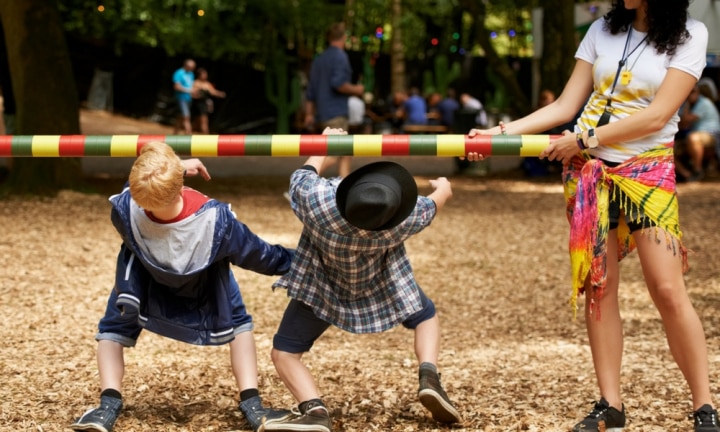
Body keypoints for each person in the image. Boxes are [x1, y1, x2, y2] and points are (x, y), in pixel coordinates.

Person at [465, 1, 719, 431]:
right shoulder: (603, 29)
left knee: (667, 288)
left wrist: (583, 139)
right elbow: (565, 105)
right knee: (598, 288)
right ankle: (610, 404)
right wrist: (498, 133)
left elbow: (658, 114)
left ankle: (705, 406)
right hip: (588, 175)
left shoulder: (692, 34)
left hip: (647, 172)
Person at [70, 142, 294, 432]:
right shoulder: (217, 221)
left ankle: (108, 403)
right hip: (204, 287)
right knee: (239, 324)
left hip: (143, 286)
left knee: (113, 326)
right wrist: (303, 260)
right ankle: (251, 402)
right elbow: (262, 256)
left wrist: (171, 168)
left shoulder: (124, 210)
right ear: (179, 186)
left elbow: (133, 187)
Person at [262, 127, 461, 432]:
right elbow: (435, 203)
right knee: (426, 315)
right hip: (381, 288)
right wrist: (443, 186)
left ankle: (314, 410)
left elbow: (303, 175)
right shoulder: (404, 220)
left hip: (321, 290)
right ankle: (429, 375)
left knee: (285, 353)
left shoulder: (318, 203)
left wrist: (325, 143)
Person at [304, 22, 364, 178]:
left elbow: (310, 91)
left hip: (322, 112)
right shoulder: (340, 56)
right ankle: (302, 183)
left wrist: (309, 114)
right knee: (336, 152)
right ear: (344, 37)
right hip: (336, 112)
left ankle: (345, 189)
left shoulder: (319, 59)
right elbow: (338, 84)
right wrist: (357, 90)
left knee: (345, 151)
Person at [675, 83, 720, 181]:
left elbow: (685, 120)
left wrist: (686, 102)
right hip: (696, 136)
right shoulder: (688, 105)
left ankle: (697, 170)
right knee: (669, 149)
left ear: (698, 92)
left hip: (712, 135)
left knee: (693, 137)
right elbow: (681, 124)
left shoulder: (704, 102)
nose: (690, 94)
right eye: (687, 92)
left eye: (692, 92)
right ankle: (687, 175)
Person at [192, 67, 226, 134]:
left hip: (203, 104)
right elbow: (193, 93)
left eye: (206, 74)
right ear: (199, 75)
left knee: (200, 121)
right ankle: (206, 137)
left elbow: (213, 91)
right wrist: (198, 92)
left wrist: (220, 94)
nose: (205, 76)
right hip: (198, 104)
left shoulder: (207, 83)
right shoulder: (196, 83)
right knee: (203, 121)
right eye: (203, 74)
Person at [172, 59, 196, 135]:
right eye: (190, 67)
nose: (192, 69)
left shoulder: (191, 74)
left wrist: (194, 92)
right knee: (186, 117)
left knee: (180, 118)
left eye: (193, 67)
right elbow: (176, 87)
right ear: (185, 65)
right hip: (181, 98)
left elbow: (190, 86)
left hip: (189, 98)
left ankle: (174, 136)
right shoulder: (179, 73)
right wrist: (189, 91)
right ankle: (189, 138)